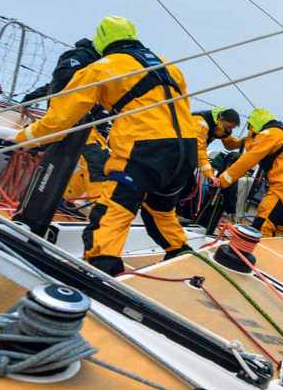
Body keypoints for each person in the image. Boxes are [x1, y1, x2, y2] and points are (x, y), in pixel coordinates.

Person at [14, 15, 199, 275]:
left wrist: (22, 139)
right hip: (185, 151)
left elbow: (59, 121)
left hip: (144, 149)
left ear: (102, 40)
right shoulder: (171, 67)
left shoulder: (102, 67)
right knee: (160, 209)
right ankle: (181, 252)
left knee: (113, 213)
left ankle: (103, 268)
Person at [214, 108, 283, 237]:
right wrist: (225, 134)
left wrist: (222, 180)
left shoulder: (268, 134)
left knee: (261, 229)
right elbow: (233, 145)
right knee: (279, 236)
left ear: (254, 125)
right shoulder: (282, 134)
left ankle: (248, 255)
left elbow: (248, 160)